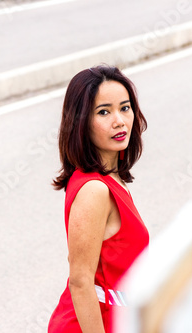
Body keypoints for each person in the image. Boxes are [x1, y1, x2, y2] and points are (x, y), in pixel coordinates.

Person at [48, 65, 149, 332]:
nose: (119, 120)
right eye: (103, 112)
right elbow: (80, 282)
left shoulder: (110, 180)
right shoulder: (95, 189)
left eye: (125, 108)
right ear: (81, 122)